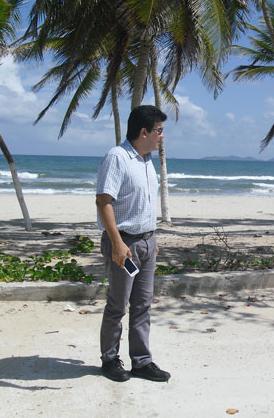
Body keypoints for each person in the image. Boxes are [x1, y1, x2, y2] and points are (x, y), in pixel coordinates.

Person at [95, 105, 171, 383]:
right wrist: (117, 243)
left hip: (147, 244)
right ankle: (110, 359)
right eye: (159, 131)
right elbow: (104, 202)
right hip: (123, 244)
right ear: (144, 131)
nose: (161, 137)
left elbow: (144, 204)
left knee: (143, 305)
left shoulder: (146, 160)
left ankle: (141, 362)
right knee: (118, 305)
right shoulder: (118, 158)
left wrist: (152, 241)